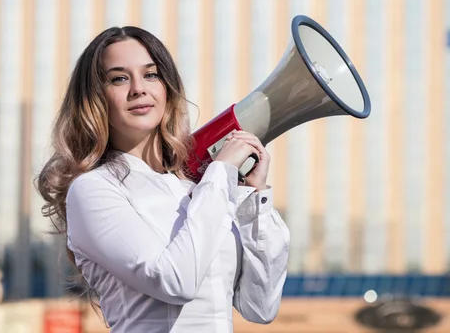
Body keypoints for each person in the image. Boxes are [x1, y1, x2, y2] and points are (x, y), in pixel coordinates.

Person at [37, 26, 290, 332]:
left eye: (151, 75)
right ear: (94, 99)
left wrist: (254, 199)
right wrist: (220, 173)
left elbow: (260, 306)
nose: (138, 89)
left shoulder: (195, 188)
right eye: (118, 78)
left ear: (167, 87)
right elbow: (174, 281)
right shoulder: (92, 190)